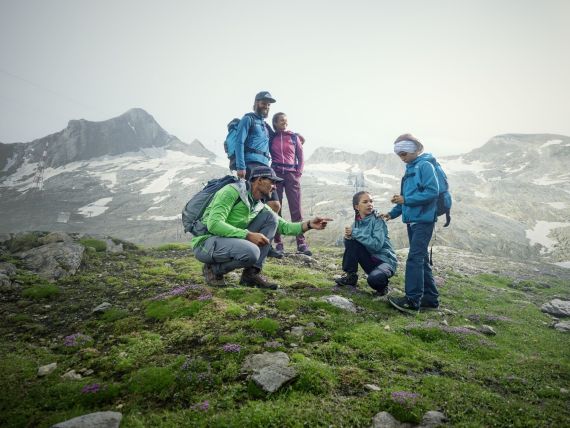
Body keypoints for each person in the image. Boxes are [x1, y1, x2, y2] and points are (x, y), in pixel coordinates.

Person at [191, 166, 332, 289]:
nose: (275, 186)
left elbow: (285, 227)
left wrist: (309, 225)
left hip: (228, 241)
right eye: (272, 181)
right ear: (259, 180)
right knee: (251, 252)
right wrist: (247, 235)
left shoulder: (259, 205)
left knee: (271, 219)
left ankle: (250, 275)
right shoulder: (230, 192)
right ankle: (213, 270)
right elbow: (214, 224)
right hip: (206, 243)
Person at [381, 134, 440, 314]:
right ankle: (430, 299)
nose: (402, 157)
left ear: (415, 149)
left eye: (404, 153)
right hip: (413, 222)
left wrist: (406, 199)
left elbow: (432, 192)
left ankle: (412, 300)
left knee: (414, 258)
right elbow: (405, 202)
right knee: (420, 259)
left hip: (423, 221)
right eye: (399, 154)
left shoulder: (425, 166)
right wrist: (391, 214)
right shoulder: (410, 169)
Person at [335, 191, 397, 295]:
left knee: (374, 280)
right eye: (365, 202)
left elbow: (376, 245)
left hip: (384, 261)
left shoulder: (378, 220)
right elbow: (352, 248)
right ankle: (351, 277)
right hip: (369, 261)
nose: (369, 204)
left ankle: (383, 287)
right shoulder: (356, 224)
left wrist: (355, 233)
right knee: (351, 242)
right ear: (357, 207)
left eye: (371, 201)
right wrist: (348, 238)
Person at [269, 112, 311, 256]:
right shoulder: (271, 137)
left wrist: (298, 173)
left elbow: (301, 156)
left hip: (292, 174)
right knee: (276, 207)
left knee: (296, 208)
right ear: (275, 123)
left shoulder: (294, 137)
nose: (284, 123)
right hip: (276, 175)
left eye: (286, 121)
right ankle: (278, 243)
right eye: (281, 121)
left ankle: (301, 243)